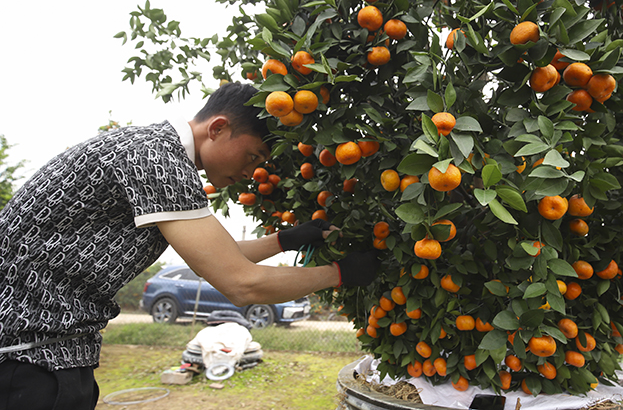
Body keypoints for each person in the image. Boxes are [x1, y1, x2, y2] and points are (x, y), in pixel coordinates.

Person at [0, 82, 380, 409]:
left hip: (47, 352)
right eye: (252, 156)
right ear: (217, 128)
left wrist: (286, 239)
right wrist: (341, 273)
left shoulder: (155, 152)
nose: (251, 173)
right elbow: (240, 283)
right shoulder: (156, 159)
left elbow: (217, 259)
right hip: (28, 359)